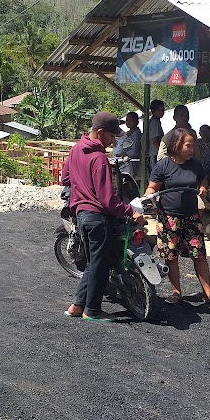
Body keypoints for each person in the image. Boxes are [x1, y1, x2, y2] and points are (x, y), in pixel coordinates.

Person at [61, 111, 147, 322]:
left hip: (81, 216)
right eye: (111, 136)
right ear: (100, 133)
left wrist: (82, 187)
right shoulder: (99, 158)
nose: (113, 141)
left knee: (93, 264)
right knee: (100, 265)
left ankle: (76, 306)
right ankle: (92, 310)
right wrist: (130, 212)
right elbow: (107, 199)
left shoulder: (75, 150)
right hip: (97, 217)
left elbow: (65, 178)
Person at [144, 127, 210, 307]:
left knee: (199, 255)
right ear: (177, 145)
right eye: (188, 146)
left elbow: (203, 178)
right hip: (169, 219)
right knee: (171, 256)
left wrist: (204, 187)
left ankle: (209, 294)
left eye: (193, 146)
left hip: (192, 218)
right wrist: (148, 197)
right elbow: (152, 188)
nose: (192, 149)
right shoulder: (163, 165)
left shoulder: (195, 165)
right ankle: (176, 292)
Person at [112, 111, 142, 177]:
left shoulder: (137, 134)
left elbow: (135, 151)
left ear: (137, 122)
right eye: (127, 120)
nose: (128, 122)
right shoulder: (127, 134)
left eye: (131, 120)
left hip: (132, 164)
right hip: (124, 163)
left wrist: (123, 154)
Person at [147, 99, 165, 178]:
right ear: (153, 111)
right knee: (156, 176)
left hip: (154, 153)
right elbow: (155, 140)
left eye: (162, 110)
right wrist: (160, 154)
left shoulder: (156, 121)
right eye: (159, 110)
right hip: (155, 153)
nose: (162, 112)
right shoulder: (154, 122)